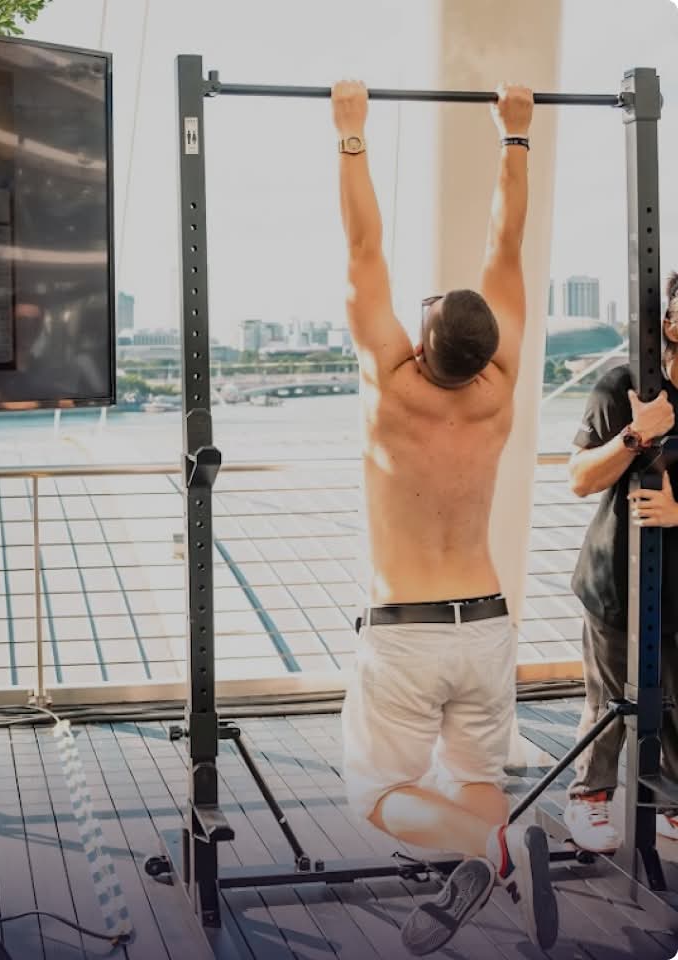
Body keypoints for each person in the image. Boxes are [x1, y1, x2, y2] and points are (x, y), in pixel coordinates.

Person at [330, 79, 558, 955]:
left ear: (423, 343)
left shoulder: (392, 386)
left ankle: (492, 850)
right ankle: (495, 855)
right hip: (488, 623)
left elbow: (364, 248)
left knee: (374, 794)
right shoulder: (501, 386)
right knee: (473, 777)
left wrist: (352, 134)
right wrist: (516, 136)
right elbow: (508, 241)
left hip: (408, 633)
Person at [563, 271, 678, 852]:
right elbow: (580, 478)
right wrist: (636, 434)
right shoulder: (623, 386)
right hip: (617, 578)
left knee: (676, 704)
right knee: (609, 700)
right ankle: (589, 797)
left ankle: (671, 807)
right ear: (670, 324)